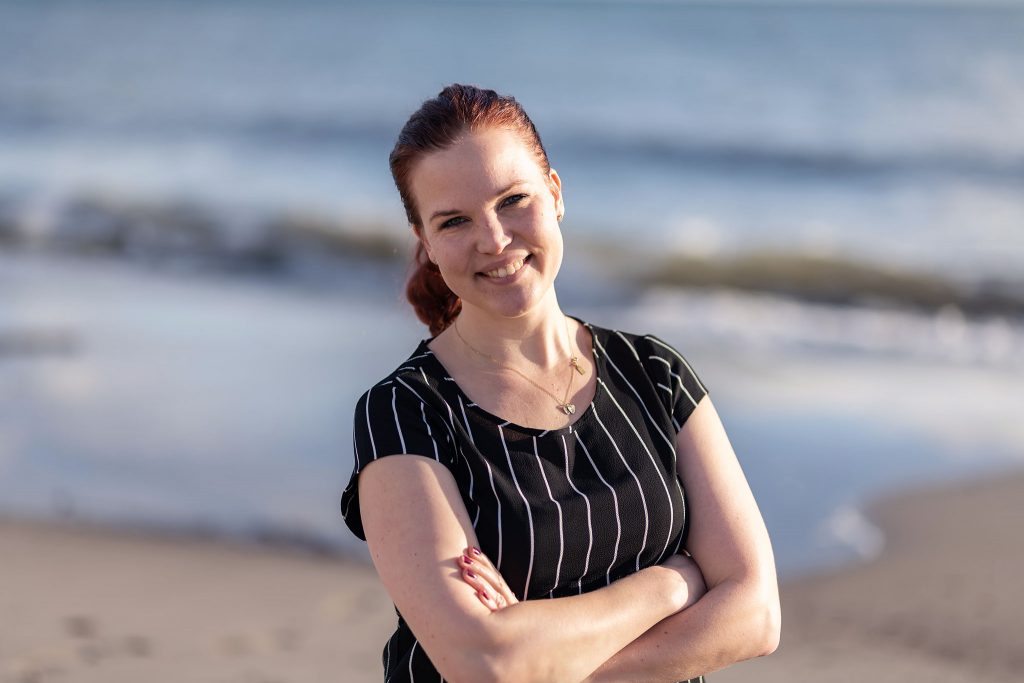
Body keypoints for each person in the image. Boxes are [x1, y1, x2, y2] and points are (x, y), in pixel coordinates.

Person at [340, 83, 780, 683]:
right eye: (455, 220)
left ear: (555, 194)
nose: (494, 240)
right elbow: (483, 663)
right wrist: (674, 581)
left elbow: (756, 616)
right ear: (426, 244)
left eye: (514, 200)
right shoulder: (403, 413)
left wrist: (541, 662)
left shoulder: (655, 373)